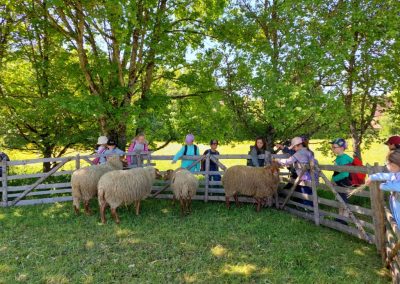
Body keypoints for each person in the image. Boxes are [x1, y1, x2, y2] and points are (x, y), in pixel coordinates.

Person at [278, 137, 316, 207]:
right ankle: (305, 207)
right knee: (309, 193)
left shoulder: (300, 153)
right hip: (312, 177)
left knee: (306, 195)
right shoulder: (308, 151)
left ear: (299, 145)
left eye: (294, 147)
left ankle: (309, 209)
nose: (293, 149)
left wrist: (277, 161)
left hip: (305, 178)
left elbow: (288, 161)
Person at [366, 150, 400, 226]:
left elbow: (397, 186)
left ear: (393, 164)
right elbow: (385, 175)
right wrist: (372, 177)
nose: (386, 166)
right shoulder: (396, 173)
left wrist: (381, 186)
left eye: (387, 163)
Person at [330, 138, 353, 224]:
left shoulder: (344, 158)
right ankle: (340, 217)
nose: (332, 148)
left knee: (343, 199)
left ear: (341, 148)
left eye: (334, 147)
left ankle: (345, 219)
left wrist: (334, 179)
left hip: (344, 182)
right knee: (340, 198)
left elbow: (345, 174)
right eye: (332, 147)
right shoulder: (339, 157)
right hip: (340, 181)